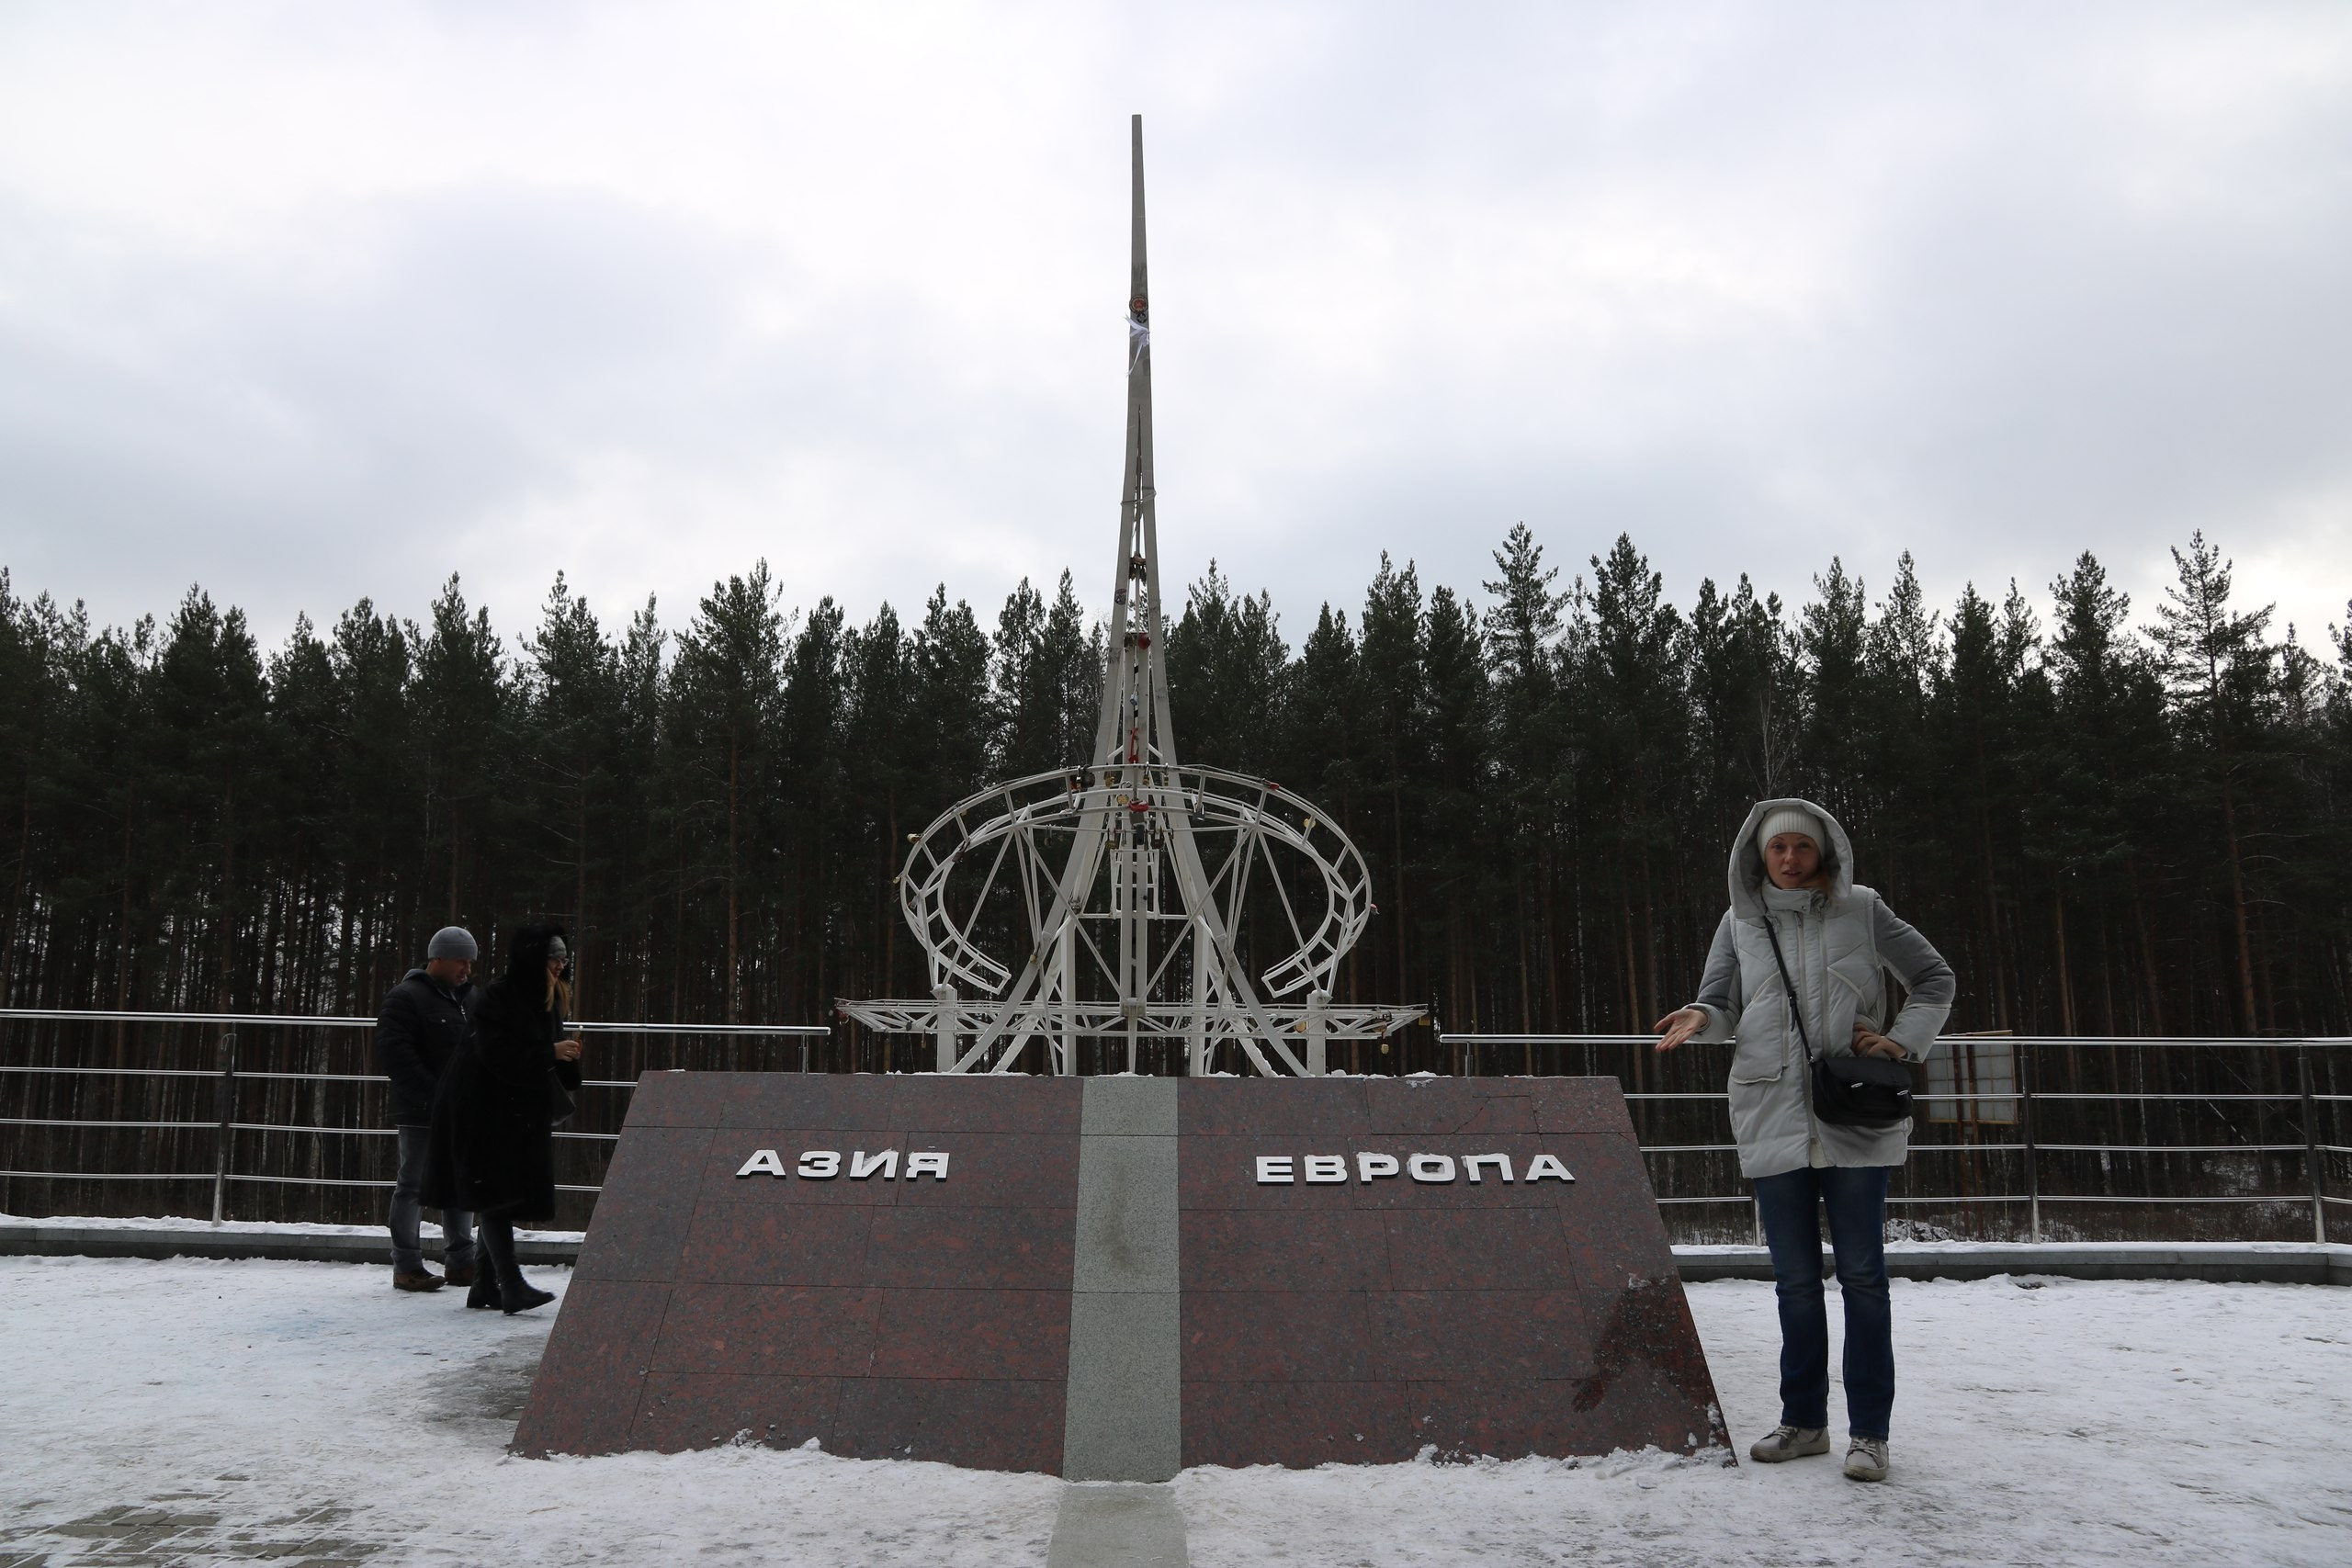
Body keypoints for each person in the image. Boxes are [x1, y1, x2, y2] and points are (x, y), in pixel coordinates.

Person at [1653, 798, 1953, 1483]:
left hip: (1854, 1115)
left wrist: (1902, 1040)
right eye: (1777, 848)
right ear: (1759, 854)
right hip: (1771, 1109)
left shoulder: (1864, 909)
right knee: (1794, 1282)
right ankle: (1805, 1422)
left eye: (1802, 847)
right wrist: (1702, 1015)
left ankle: (1870, 1433)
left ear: (1825, 851)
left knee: (1864, 1279)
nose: (1789, 858)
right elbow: (1722, 1001)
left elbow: (1934, 977)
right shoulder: (1740, 919)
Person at [423, 923, 584, 1314]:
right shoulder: (500, 995)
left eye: (563, 958)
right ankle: (510, 1284)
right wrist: (550, 1053)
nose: (560, 965)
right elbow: (496, 1054)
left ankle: (483, 1285)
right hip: (482, 1107)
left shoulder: (546, 997)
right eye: (553, 957)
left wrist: (565, 1058)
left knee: (500, 1190)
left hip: (509, 1107)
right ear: (534, 959)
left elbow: (532, 1053)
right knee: (495, 1192)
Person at [374, 927, 481, 1292]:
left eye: (470, 961)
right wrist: (436, 1097)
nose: (466, 968)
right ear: (437, 958)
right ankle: (407, 1265)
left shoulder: (470, 1000)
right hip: (422, 1111)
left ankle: (462, 1262)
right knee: (414, 1185)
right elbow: (396, 1056)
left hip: (464, 1109)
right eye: (460, 960)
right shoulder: (405, 998)